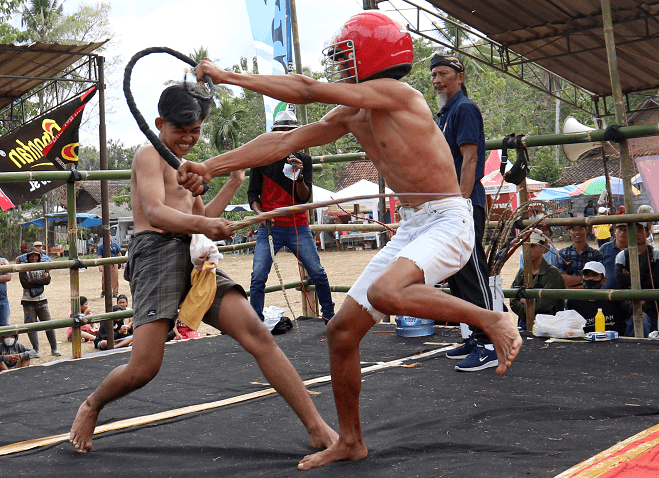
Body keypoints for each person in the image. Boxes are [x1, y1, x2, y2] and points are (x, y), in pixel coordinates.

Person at [177, 12, 521, 469]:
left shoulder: (399, 94)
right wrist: (211, 166)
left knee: (386, 292)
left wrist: (227, 75)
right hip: (416, 225)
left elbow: (305, 89)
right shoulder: (353, 111)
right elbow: (283, 142)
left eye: (345, 55)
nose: (339, 64)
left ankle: (491, 319)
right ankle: (351, 441)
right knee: (341, 334)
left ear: (373, 55)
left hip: (448, 220)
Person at [69, 83, 338, 457]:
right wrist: (204, 227)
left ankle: (317, 426)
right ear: (160, 123)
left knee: (258, 334)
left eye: (195, 131)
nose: (189, 139)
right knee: (144, 367)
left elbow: (203, 217)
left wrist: (231, 183)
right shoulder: (148, 155)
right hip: (154, 253)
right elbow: (158, 213)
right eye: (181, 131)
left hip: (194, 255)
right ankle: (92, 405)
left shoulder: (186, 167)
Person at [430, 53, 496, 371]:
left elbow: (470, 159)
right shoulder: (445, 113)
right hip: (449, 205)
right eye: (433, 75)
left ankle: (490, 341)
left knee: (471, 271)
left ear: (460, 76)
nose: (437, 80)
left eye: (443, 73)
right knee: (456, 273)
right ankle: (474, 337)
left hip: (464, 203)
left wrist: (461, 204)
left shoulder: (465, 109)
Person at [247, 110, 335, 323]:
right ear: (275, 133)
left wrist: (301, 176)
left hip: (298, 225)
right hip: (270, 227)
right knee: (258, 276)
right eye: (282, 131)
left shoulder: (304, 160)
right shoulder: (261, 159)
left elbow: (304, 198)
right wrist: (262, 215)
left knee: (318, 272)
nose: (286, 136)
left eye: (291, 132)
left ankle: (330, 316)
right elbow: (252, 195)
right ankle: (254, 323)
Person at [510, 230, 566, 329]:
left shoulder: (553, 273)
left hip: (549, 326)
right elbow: (513, 300)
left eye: (532, 246)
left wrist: (524, 302)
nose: (527, 250)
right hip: (525, 323)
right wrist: (531, 304)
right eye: (525, 246)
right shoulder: (522, 272)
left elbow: (546, 305)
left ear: (543, 248)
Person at [615, 221, 659, 336]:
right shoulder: (623, 255)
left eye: (640, 230)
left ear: (648, 234)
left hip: (653, 306)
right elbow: (620, 280)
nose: (636, 233)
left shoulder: (655, 254)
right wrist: (646, 275)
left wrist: (631, 276)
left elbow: (656, 282)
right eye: (633, 230)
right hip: (629, 305)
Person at [19, 249, 59, 356]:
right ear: (28, 257)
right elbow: (24, 284)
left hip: (42, 300)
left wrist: (31, 280)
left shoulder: (43, 266)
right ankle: (36, 349)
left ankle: (54, 348)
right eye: (31, 256)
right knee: (31, 326)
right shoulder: (23, 268)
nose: (33, 258)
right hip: (28, 301)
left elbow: (47, 280)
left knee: (48, 324)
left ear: (39, 257)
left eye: (36, 256)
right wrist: (40, 279)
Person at [565, 261, 621, 334]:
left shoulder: (614, 301)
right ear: (582, 279)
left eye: (595, 275)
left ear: (603, 280)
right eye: (586, 275)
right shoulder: (573, 302)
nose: (590, 279)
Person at [557, 224, 603, 289]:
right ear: (569, 232)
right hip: (567, 297)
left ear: (587, 230)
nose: (577, 232)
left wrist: (570, 285)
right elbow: (561, 279)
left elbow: (599, 282)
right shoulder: (562, 253)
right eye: (573, 230)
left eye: (580, 229)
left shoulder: (597, 254)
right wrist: (588, 280)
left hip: (590, 296)